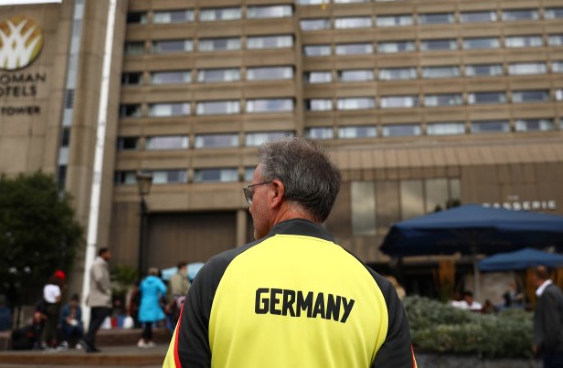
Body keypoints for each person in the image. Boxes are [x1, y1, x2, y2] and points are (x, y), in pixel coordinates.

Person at [163, 136, 416, 367]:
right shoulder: (378, 292)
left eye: (252, 193)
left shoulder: (217, 276)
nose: (250, 207)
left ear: (275, 192)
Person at [531, 266, 563, 368]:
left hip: (556, 348)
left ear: (536, 277)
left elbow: (552, 323)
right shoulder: (554, 290)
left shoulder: (548, 293)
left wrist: (545, 344)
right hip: (559, 346)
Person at [79, 247, 111, 354]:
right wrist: (106, 290)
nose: (109, 255)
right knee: (100, 317)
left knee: (94, 320)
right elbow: (99, 278)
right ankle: (86, 339)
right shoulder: (98, 264)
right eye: (108, 253)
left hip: (97, 297)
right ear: (103, 254)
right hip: (99, 297)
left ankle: (90, 344)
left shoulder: (99, 264)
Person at [138, 267, 167, 348]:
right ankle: (142, 339)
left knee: (148, 323)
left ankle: (149, 340)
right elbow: (164, 290)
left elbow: (140, 289)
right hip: (153, 302)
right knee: (149, 323)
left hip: (144, 302)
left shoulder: (144, 281)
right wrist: (161, 296)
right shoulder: (157, 281)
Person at [40, 270, 64, 349]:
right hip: (54, 306)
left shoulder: (46, 286)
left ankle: (43, 341)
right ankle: (53, 341)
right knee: (54, 325)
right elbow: (58, 299)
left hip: (47, 306)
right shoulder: (56, 287)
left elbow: (44, 297)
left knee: (47, 324)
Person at [166, 261, 191, 326]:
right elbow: (187, 290)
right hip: (182, 300)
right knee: (182, 321)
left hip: (173, 301)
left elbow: (168, 291)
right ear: (183, 267)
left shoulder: (172, 277)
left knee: (174, 321)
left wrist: (169, 302)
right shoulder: (185, 277)